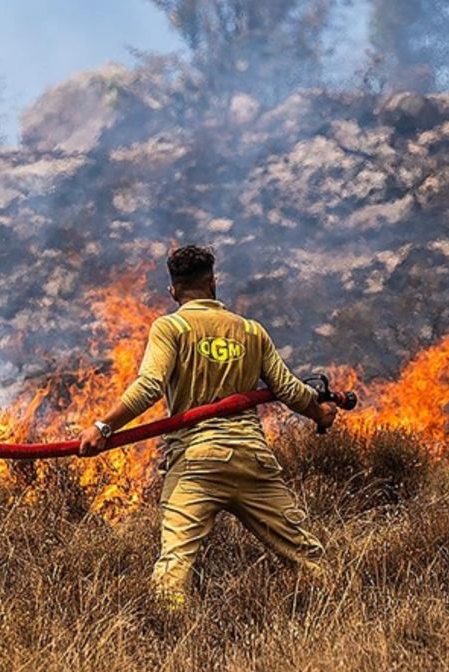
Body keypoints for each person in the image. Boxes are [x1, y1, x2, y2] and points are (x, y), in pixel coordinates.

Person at [79, 245, 338, 607]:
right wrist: (320, 413)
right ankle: (344, 613)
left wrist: (103, 427)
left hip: (196, 463)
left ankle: (172, 642)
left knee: (174, 569)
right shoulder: (251, 331)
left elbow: (150, 386)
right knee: (308, 557)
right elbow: (289, 389)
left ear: (173, 290)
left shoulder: (172, 326)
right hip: (252, 461)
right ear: (213, 283)